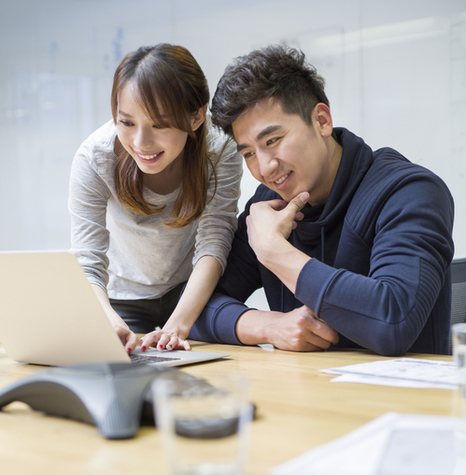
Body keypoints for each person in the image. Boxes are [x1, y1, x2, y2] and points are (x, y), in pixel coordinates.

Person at [189, 45, 454, 356]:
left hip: (402, 400)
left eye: (272, 141)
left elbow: (393, 322)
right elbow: (194, 308)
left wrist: (274, 252)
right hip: (308, 396)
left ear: (322, 121)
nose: (263, 167)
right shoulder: (269, 204)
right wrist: (268, 326)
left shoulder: (410, 191)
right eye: (248, 153)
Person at [69, 44, 242, 353]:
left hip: (190, 291)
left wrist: (177, 326)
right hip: (123, 298)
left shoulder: (219, 152)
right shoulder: (95, 157)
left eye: (159, 124)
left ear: (197, 116)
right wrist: (107, 320)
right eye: (126, 122)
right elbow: (88, 259)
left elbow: (214, 241)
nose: (141, 142)